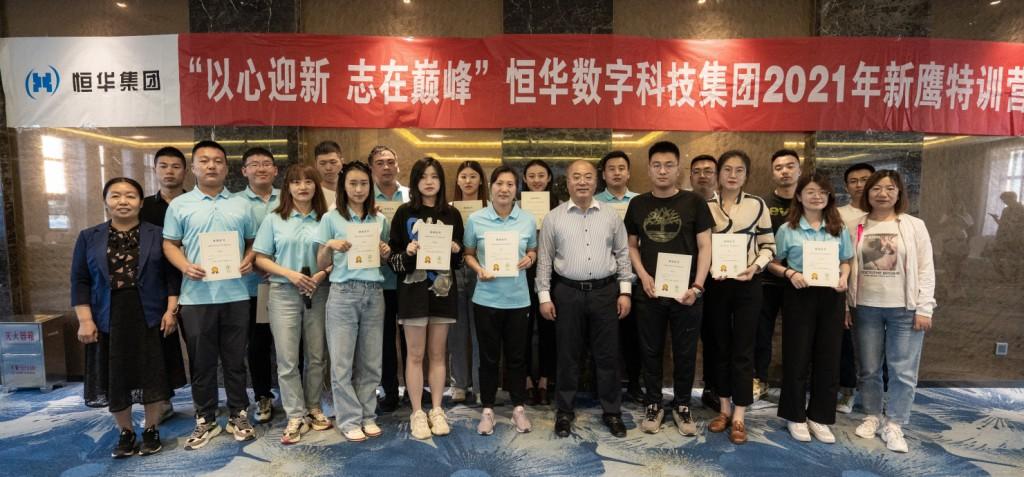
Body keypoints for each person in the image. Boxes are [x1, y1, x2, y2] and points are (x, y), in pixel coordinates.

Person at [72, 177, 180, 458]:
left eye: (130, 196)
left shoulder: (158, 233)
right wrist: (85, 319)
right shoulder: (89, 236)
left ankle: (151, 429)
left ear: (141, 203)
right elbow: (80, 280)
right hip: (107, 315)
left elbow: (171, 277)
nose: (123, 201)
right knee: (116, 375)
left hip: (150, 313)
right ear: (106, 201)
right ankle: (126, 432)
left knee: (152, 373)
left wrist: (171, 310)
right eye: (116, 196)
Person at [163, 140, 258, 449]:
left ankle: (238, 413)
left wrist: (249, 258)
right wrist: (185, 266)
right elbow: (169, 244)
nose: (211, 165)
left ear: (227, 168)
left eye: (218, 160)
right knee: (202, 363)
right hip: (196, 297)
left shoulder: (242, 204)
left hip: (236, 294)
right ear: (193, 168)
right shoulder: (180, 205)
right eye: (204, 161)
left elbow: (253, 241)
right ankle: (205, 417)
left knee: (235, 360)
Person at [537, 160, 634, 439]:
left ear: (596, 181)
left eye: (588, 177)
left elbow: (623, 254)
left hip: (605, 292)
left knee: (607, 355)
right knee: (567, 355)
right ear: (567, 182)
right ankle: (564, 411)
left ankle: (612, 412)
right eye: (576, 177)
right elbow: (544, 261)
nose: (582, 182)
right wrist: (544, 297)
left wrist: (625, 291)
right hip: (567, 292)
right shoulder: (553, 218)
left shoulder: (611, 216)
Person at [626, 142, 712, 438]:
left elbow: (705, 246)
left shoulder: (694, 202)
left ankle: (682, 404)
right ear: (649, 169)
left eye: (669, 165)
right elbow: (631, 246)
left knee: (685, 352)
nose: (662, 171)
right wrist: (643, 276)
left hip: (687, 293)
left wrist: (697, 286)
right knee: (650, 351)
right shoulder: (638, 204)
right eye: (657, 165)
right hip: (650, 292)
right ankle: (653, 403)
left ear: (678, 169)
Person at [848, 170, 936, 454]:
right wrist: (846, 305)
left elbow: (926, 268)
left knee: (903, 371)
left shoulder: (913, 225)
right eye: (876, 188)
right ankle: (872, 415)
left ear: (899, 193)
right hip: (865, 307)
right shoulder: (856, 225)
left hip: (904, 309)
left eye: (889, 188)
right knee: (868, 368)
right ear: (867, 193)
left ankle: (895, 422)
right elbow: (846, 266)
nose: (882, 193)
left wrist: (925, 307)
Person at [767, 172, 853, 444]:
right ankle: (795, 415)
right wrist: (790, 273)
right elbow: (772, 262)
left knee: (828, 357)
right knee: (797, 356)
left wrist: (844, 277)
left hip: (832, 296)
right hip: (799, 294)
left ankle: (820, 416)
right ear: (799, 196)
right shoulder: (787, 229)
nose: (817, 197)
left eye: (822, 192)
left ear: (829, 197)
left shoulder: (838, 227)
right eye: (811, 192)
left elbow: (846, 260)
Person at [253, 164, 333, 445]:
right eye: (296, 182)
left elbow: (338, 258)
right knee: (287, 359)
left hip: (318, 292)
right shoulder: (274, 219)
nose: (303, 187)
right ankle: (295, 414)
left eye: (308, 182)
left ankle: (314, 407)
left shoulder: (327, 219)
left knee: (317, 356)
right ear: (287, 187)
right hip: (283, 293)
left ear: (316, 186)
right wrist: (289, 274)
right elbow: (260, 258)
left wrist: (322, 274)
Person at [316, 161, 393, 442]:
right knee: (342, 363)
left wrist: (385, 251)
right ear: (343, 186)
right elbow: (320, 262)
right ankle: (349, 419)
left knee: (371, 362)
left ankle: (367, 415)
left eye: (363, 184)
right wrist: (329, 245)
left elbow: (382, 260)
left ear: (370, 186)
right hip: (343, 293)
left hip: (373, 293)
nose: (359, 189)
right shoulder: (331, 218)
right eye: (353, 183)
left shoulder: (379, 219)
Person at [388, 157, 464, 440]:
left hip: (442, 292)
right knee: (415, 354)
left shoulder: (452, 214)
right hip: (413, 294)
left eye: (434, 176)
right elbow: (393, 261)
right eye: (423, 176)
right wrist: (408, 253)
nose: (429, 182)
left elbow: (458, 263)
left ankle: (437, 409)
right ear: (415, 181)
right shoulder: (403, 213)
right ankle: (417, 412)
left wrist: (456, 249)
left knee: (438, 354)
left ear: (441, 181)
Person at [703, 151, 775, 445]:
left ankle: (740, 415)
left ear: (746, 175)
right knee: (719, 346)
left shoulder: (757, 205)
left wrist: (754, 267)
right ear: (718, 174)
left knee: (744, 349)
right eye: (727, 170)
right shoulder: (705, 206)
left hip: (748, 283)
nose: (732, 175)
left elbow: (769, 246)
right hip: (716, 284)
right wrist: (710, 269)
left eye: (739, 170)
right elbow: (700, 247)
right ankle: (723, 409)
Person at [462, 165, 538, 435]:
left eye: (510, 184)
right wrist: (478, 269)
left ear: (516, 189)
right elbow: (468, 253)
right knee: (488, 358)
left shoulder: (527, 219)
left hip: (518, 300)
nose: (504, 189)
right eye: (499, 183)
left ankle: (518, 408)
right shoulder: (476, 219)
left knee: (517, 358)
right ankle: (488, 410)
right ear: (491, 187)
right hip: (486, 299)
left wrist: (530, 258)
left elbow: (532, 249)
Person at [138, 146, 189, 423]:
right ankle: (163, 400)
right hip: (156, 287)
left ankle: (202, 400)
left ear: (185, 171)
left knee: (197, 344)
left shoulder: (196, 203)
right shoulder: (143, 207)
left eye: (176, 166)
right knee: (158, 345)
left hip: (195, 281)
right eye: (164, 166)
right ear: (155, 170)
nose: (170, 171)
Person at [236, 147, 280, 424]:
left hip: (288, 283)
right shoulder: (235, 203)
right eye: (254, 164)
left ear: (275, 170)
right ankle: (263, 395)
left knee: (294, 344)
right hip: (254, 286)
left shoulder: (289, 198)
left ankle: (299, 398)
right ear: (244, 171)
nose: (261, 168)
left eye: (266, 163)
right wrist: (254, 264)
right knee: (258, 344)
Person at [595, 151, 642, 402]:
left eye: (621, 168)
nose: (616, 173)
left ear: (629, 172)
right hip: (602, 278)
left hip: (635, 275)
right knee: (602, 336)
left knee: (633, 335)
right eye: (611, 168)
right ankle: (600, 385)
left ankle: (634, 383)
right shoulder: (593, 202)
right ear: (603, 175)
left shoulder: (641, 201)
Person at [754, 149, 802, 401]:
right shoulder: (762, 204)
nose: (785, 171)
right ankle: (759, 379)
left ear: (799, 170)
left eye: (790, 166)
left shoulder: (808, 203)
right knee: (761, 334)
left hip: (800, 281)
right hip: (766, 280)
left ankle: (794, 383)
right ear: (772, 173)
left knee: (797, 335)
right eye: (779, 167)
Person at [370, 145, 412, 413]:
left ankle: (414, 387)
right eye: (379, 162)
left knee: (411, 337)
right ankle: (389, 389)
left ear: (397, 165)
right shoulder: (365, 198)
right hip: (379, 280)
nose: (386, 167)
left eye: (390, 161)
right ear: (372, 168)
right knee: (385, 339)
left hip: (408, 278)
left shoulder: (410, 195)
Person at [835, 162, 875, 414]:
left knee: (876, 347)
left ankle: (878, 396)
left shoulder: (889, 215)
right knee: (846, 345)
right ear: (846, 186)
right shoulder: (838, 215)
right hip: (845, 288)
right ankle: (847, 391)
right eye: (853, 181)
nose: (860, 185)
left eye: (865, 179)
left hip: (878, 290)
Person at [449, 160, 488, 404]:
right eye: (464, 176)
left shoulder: (490, 209)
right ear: (457, 180)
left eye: (473, 176)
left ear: (481, 180)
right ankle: (459, 384)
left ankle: (481, 384)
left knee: (480, 331)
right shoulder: (448, 209)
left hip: (481, 270)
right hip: (454, 271)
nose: (468, 181)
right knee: (456, 331)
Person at [522, 159, 560, 406]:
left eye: (541, 175)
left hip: (553, 275)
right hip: (522, 273)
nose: (536, 180)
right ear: (524, 179)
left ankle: (545, 381)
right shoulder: (516, 207)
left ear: (549, 178)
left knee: (549, 329)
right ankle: (526, 380)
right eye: (531, 176)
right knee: (522, 330)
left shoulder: (560, 207)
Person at [688, 153, 721, 413]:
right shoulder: (683, 202)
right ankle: (681, 392)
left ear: (717, 176)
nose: (702, 176)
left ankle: (712, 388)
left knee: (714, 336)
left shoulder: (726, 205)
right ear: (689, 176)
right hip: (685, 279)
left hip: (720, 281)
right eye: (697, 171)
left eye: (708, 171)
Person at [314, 140, 344, 211]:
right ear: (316, 165)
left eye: (333, 162)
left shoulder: (353, 191)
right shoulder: (313, 193)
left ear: (342, 162)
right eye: (322, 163)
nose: (328, 168)